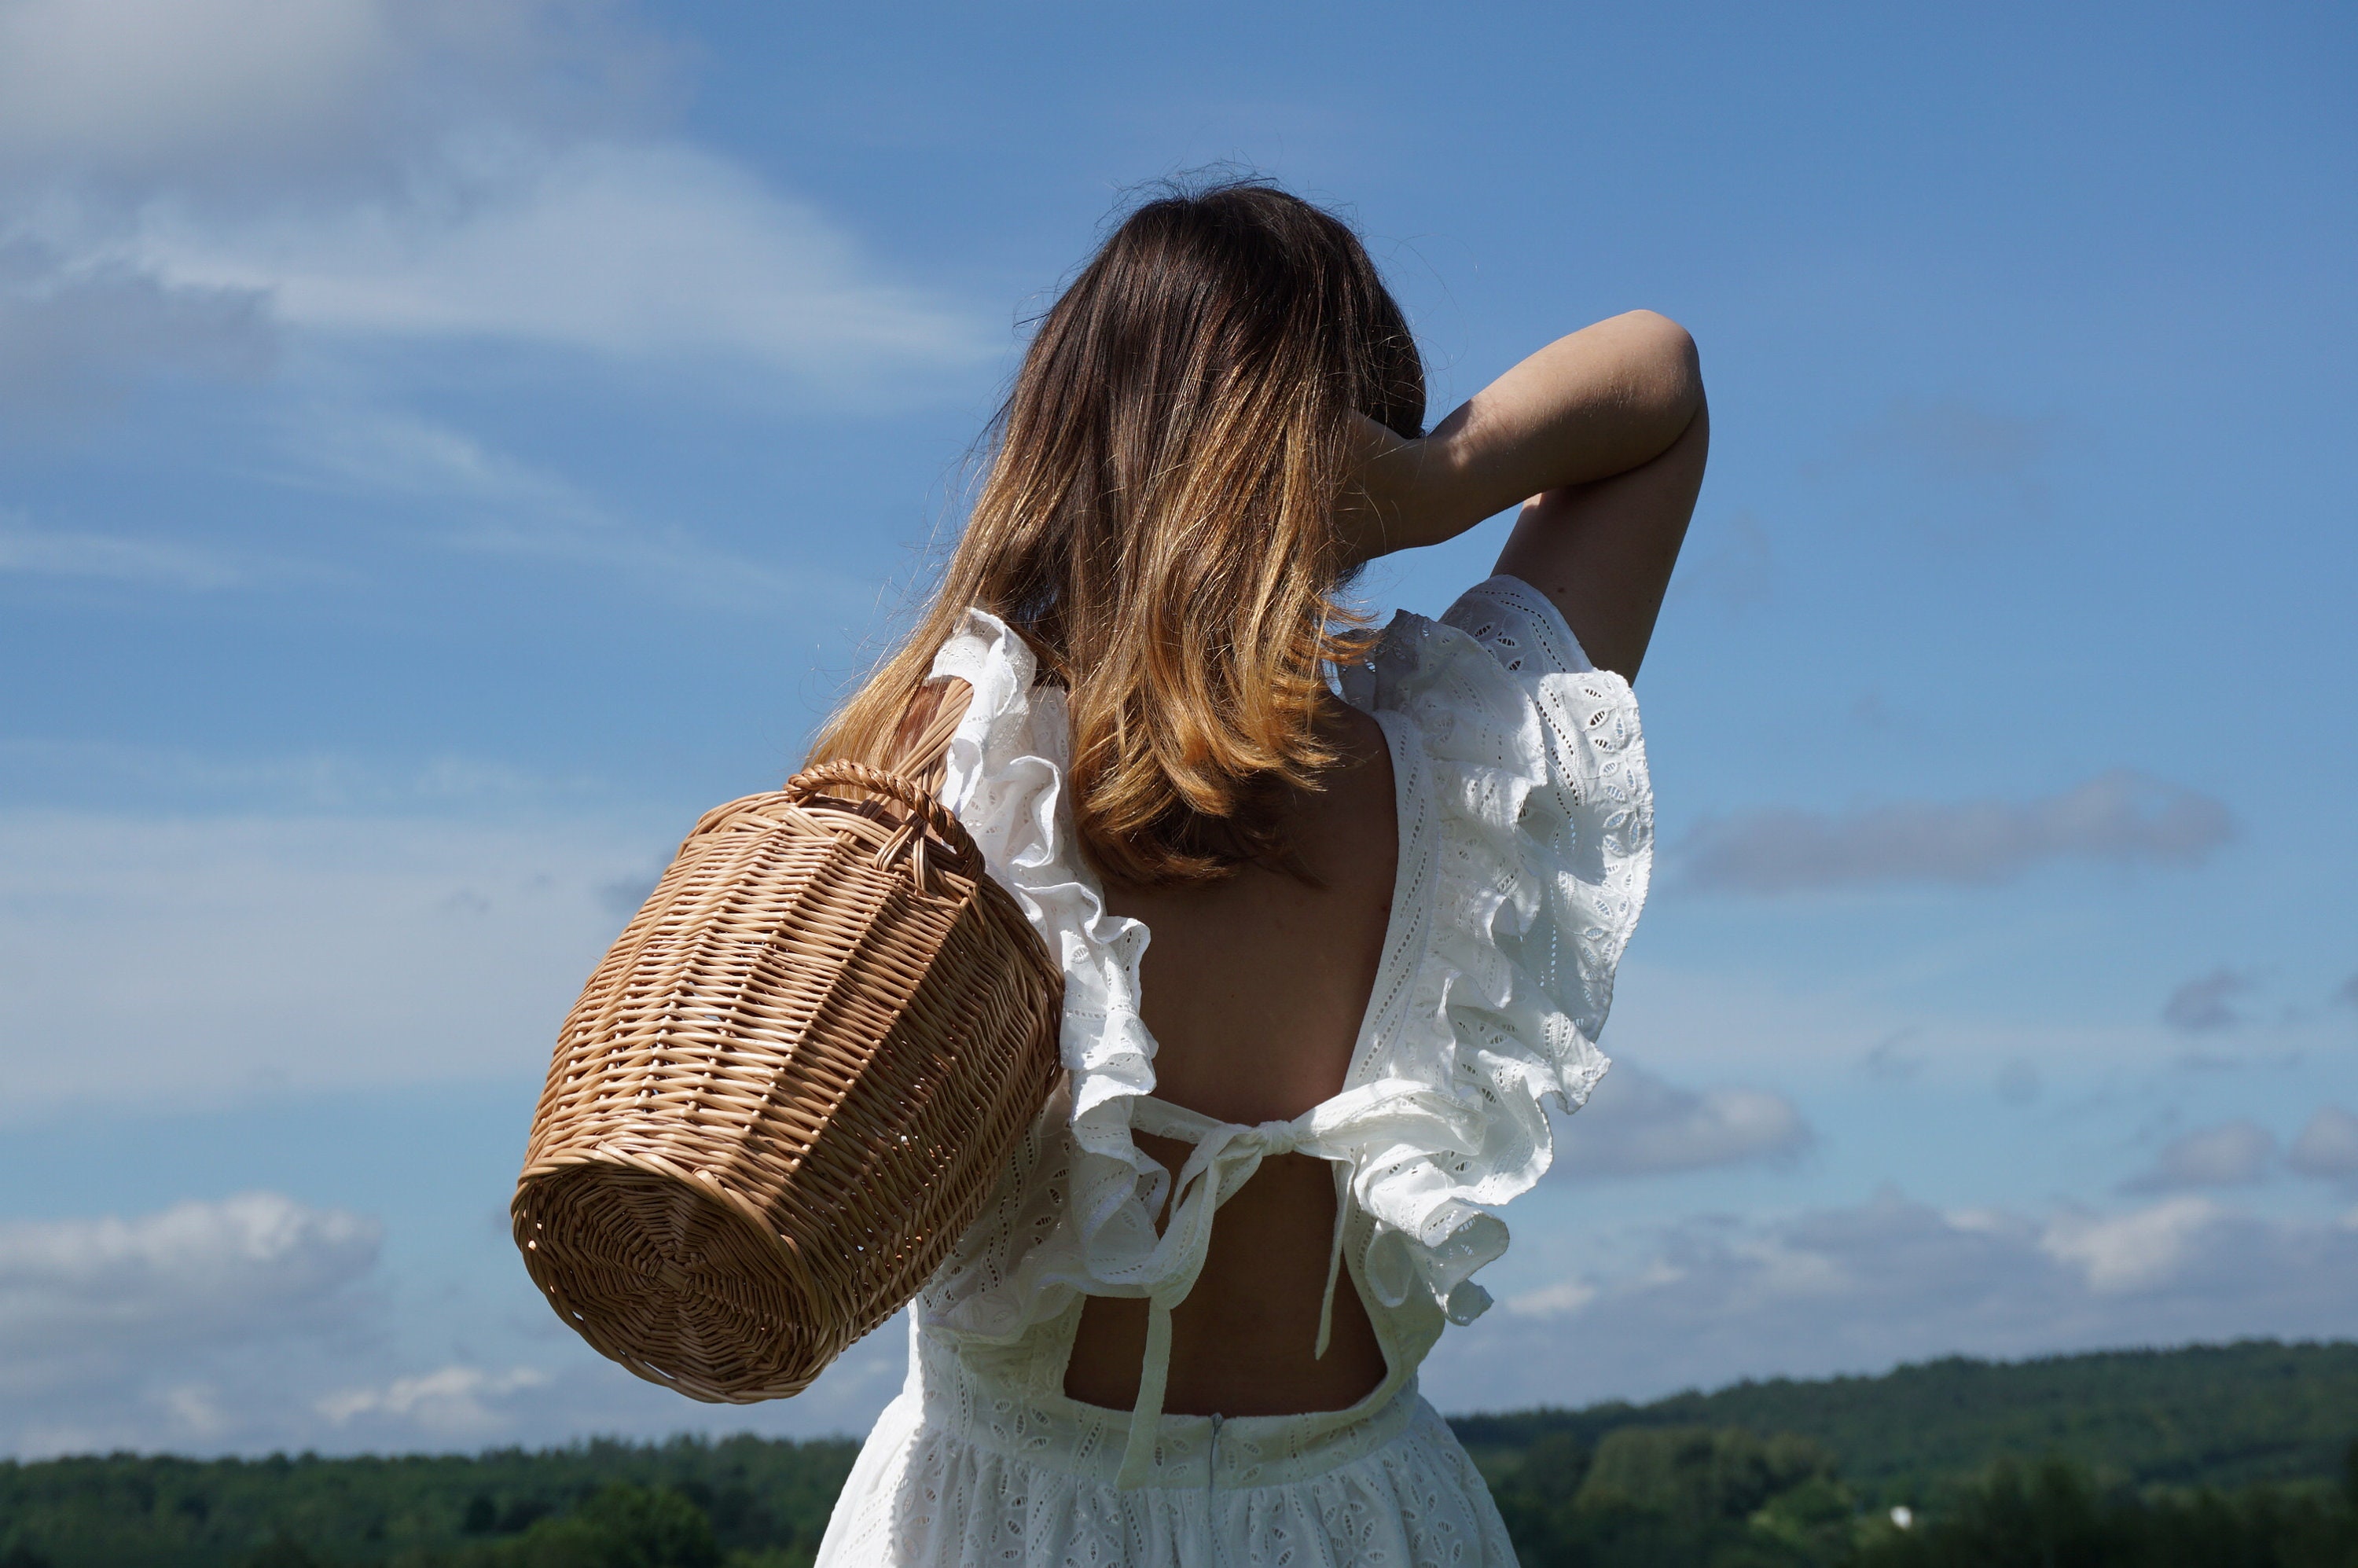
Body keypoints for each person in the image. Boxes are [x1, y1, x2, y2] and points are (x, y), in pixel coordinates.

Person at [810, 179, 1706, 1566]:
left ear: (1067, 436)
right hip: (1361, 1521)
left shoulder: (966, 752)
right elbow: (1659, 387)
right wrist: (1430, 488)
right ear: (1348, 441)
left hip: (1001, 1522)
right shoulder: (1463, 762)